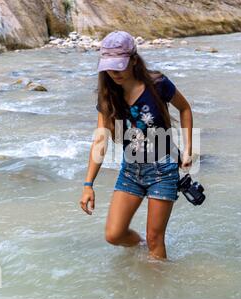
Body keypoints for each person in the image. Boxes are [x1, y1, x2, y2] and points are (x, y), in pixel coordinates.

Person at [79, 31, 194, 260]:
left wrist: (188, 149)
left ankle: (157, 289)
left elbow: (185, 109)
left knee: (155, 238)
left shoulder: (157, 84)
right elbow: (100, 140)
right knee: (114, 234)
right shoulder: (107, 95)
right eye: (110, 67)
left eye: (120, 66)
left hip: (163, 169)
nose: (114, 72)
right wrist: (88, 184)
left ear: (133, 59)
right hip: (131, 170)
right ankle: (144, 250)